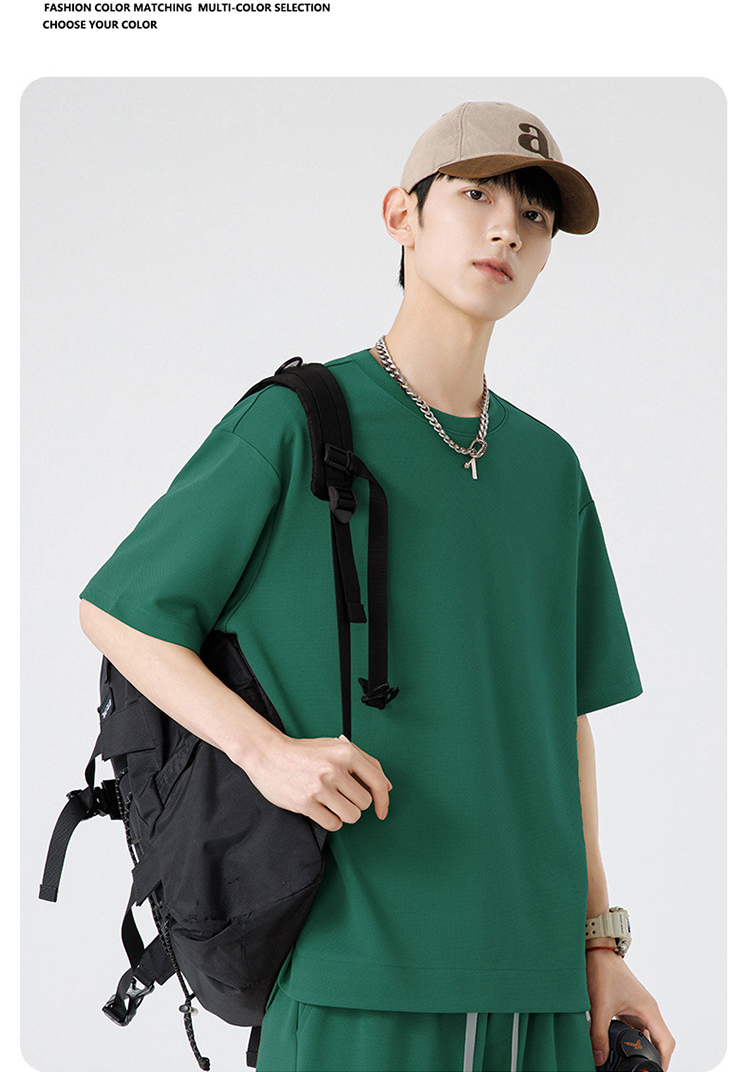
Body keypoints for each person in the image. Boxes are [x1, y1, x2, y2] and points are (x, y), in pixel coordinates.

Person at [78, 100, 676, 1072]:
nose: (506, 230)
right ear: (402, 214)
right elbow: (120, 612)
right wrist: (268, 755)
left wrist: (600, 949)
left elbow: (563, 722)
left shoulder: (550, 470)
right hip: (356, 973)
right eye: (476, 197)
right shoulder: (298, 425)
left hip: (541, 990)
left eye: (534, 217)